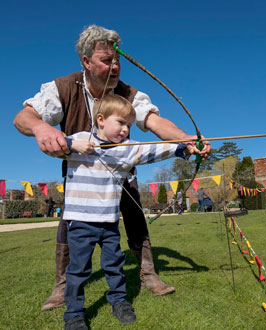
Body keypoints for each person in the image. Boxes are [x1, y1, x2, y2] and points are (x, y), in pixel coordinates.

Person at [13, 25, 211, 311]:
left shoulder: (128, 94)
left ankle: (148, 274)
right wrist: (42, 128)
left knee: (134, 216)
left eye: (117, 60)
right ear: (86, 62)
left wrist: (187, 140)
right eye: (107, 60)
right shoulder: (63, 87)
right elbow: (23, 117)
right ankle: (62, 287)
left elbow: (155, 123)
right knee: (68, 227)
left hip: (120, 173)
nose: (115, 66)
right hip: (81, 177)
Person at [57, 94, 190, 329]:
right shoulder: (80, 140)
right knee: (78, 270)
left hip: (109, 222)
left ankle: (119, 301)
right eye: (121, 123)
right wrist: (71, 145)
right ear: (101, 119)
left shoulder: (128, 149)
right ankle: (74, 314)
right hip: (80, 222)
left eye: (129, 125)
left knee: (114, 264)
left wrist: (185, 148)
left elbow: (155, 150)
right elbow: (51, 145)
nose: (126, 129)